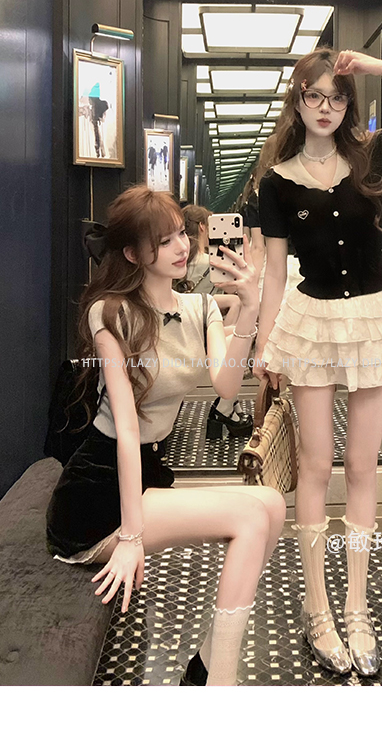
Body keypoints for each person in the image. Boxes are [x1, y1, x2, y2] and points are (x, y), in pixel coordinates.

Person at [255, 47, 382, 677]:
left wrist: (380, 70)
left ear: (348, 104)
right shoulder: (276, 182)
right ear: (297, 102)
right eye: (314, 96)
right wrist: (265, 349)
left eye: (336, 97)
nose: (326, 107)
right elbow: (273, 273)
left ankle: (357, 607)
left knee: (364, 469)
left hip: (373, 324)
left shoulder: (370, 153)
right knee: (317, 468)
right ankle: (318, 609)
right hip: (312, 325)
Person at [46, 185, 286, 686]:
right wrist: (130, 537)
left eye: (181, 234)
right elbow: (126, 427)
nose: (181, 247)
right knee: (249, 516)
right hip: (97, 496)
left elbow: (226, 385)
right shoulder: (110, 313)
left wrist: (248, 308)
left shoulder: (199, 309)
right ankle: (218, 686)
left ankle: (205, 665)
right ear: (133, 254)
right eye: (163, 240)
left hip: (147, 474)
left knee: (272, 505)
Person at [179, 204, 253, 438]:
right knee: (246, 337)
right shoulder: (211, 262)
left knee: (241, 334)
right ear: (204, 227)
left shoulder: (181, 262)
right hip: (201, 334)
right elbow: (233, 292)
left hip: (183, 327)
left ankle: (228, 406)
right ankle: (224, 407)